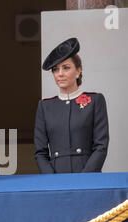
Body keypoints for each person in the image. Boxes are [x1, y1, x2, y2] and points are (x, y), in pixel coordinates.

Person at [34, 38, 109, 174]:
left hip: (88, 176)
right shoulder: (45, 106)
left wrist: (85, 178)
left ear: (78, 70)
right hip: (56, 179)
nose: (60, 74)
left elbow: (101, 146)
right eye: (55, 69)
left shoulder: (95, 100)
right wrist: (52, 180)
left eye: (66, 67)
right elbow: (40, 152)